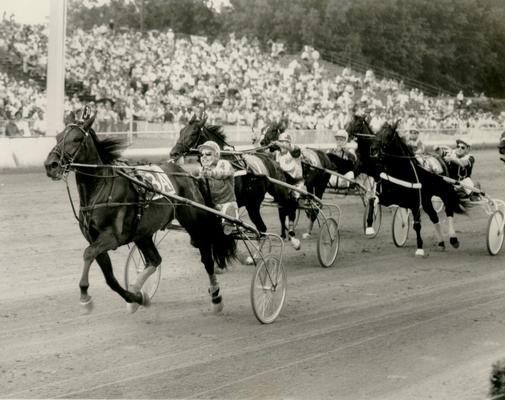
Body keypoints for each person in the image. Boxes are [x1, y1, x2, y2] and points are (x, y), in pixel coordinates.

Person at [193, 140, 238, 235]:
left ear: (216, 155)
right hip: (210, 207)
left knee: (228, 210)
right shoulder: (200, 170)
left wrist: (210, 173)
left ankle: (230, 221)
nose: (204, 157)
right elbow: (190, 177)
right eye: (202, 155)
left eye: (208, 154)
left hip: (226, 204)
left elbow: (222, 173)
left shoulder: (224, 163)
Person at [269, 131, 305, 198]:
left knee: (294, 199)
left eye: (284, 142)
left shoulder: (295, 152)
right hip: (283, 182)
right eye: (281, 141)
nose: (282, 144)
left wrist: (279, 143)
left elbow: (293, 148)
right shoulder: (277, 153)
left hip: (296, 183)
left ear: (289, 143)